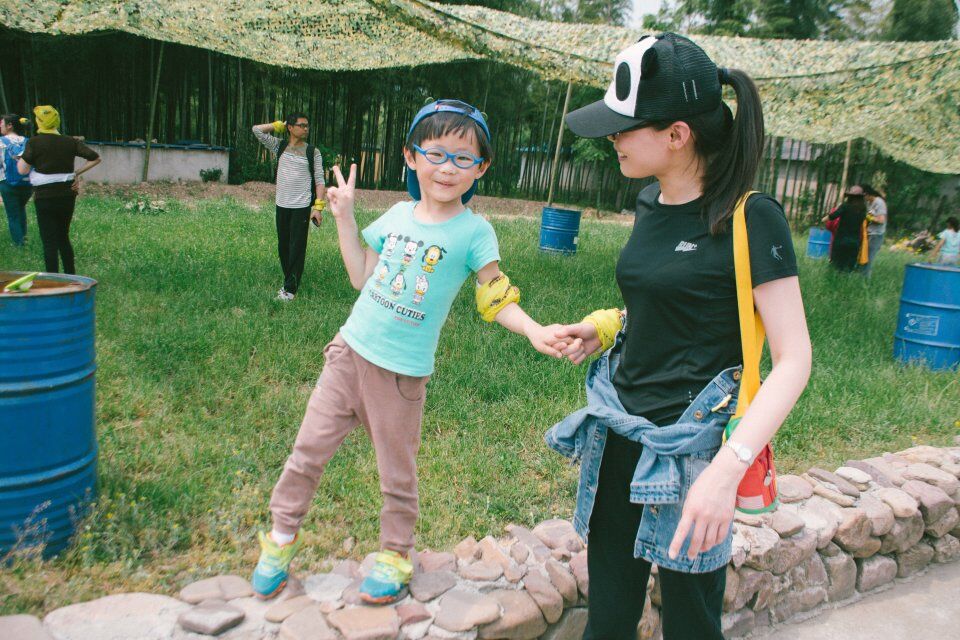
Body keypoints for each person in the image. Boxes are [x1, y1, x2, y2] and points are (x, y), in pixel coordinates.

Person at [250, 99, 568, 605]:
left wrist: (532, 329)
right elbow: (361, 276)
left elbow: (495, 294)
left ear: (481, 168)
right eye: (436, 154)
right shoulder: (397, 215)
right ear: (411, 156)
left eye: (463, 158)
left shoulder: (474, 232)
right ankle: (281, 538)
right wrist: (345, 217)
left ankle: (395, 554)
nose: (447, 168)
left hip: (401, 377)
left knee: (397, 474)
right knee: (306, 453)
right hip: (348, 355)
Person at [548, 34, 812, 640]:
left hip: (695, 454)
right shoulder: (649, 200)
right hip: (618, 431)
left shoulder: (751, 218)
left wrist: (725, 472)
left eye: (624, 127)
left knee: (692, 624)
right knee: (608, 620)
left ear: (677, 134)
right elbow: (667, 297)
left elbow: (795, 358)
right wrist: (605, 326)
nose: (612, 138)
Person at [17, 105, 100, 274]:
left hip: (44, 197)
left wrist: (21, 158)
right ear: (57, 121)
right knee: (63, 236)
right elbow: (95, 158)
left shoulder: (34, 142)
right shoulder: (70, 141)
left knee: (49, 241)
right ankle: (71, 276)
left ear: (39, 122)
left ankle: (53, 279)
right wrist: (76, 173)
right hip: (67, 195)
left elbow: (22, 170)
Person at [252, 113, 327, 301]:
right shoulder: (280, 146)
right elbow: (257, 130)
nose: (306, 129)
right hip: (282, 204)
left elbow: (320, 181)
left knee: (297, 248)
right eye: (301, 125)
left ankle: (290, 290)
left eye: (307, 125)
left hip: (301, 206)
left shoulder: (312, 152)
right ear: (291, 128)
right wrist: (279, 125)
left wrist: (318, 208)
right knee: (283, 246)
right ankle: (289, 279)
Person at [0, 114, 32, 247]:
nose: (0, 126)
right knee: (20, 208)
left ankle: (19, 244)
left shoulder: (1, 142)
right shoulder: (28, 141)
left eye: (1, 124)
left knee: (13, 214)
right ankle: (23, 237)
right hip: (27, 182)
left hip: (7, 183)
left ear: (9, 125)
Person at [821, 186, 868, 272]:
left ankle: (836, 278)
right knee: (849, 266)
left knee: (837, 265)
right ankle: (846, 278)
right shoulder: (863, 210)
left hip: (841, 240)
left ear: (849, 196)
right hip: (854, 241)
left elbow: (833, 215)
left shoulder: (845, 206)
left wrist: (823, 219)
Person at [861, 184, 887, 277]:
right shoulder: (869, 203)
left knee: (868, 258)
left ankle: (865, 279)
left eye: (864, 196)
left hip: (876, 235)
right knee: (863, 257)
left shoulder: (879, 203)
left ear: (867, 194)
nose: (864, 198)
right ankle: (861, 276)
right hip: (869, 233)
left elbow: (881, 220)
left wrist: (869, 218)